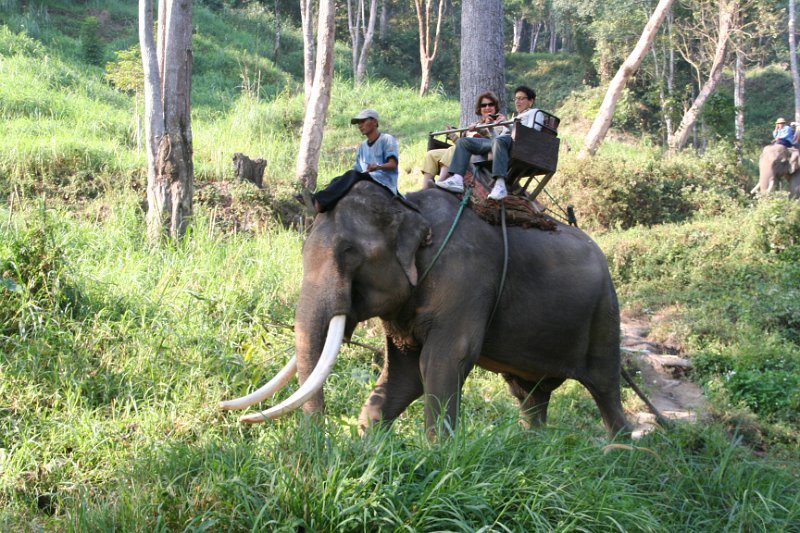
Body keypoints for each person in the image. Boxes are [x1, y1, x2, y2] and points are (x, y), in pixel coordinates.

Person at [436, 85, 543, 201]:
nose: (518, 101)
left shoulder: (535, 113)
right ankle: (457, 178)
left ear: (531, 101)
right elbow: (497, 139)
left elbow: (531, 135)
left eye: (522, 98)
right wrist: (492, 127)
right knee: (464, 142)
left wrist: (507, 124)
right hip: (502, 143)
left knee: (498, 142)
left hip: (519, 146)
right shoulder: (515, 118)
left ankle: (500, 184)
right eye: (516, 98)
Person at [304, 109, 399, 213]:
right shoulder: (362, 146)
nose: (360, 125)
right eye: (358, 123)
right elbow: (357, 169)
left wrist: (378, 167)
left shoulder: (386, 139)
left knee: (351, 175)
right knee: (336, 180)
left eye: (363, 121)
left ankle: (318, 200)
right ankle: (322, 206)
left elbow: (393, 164)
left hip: (383, 181)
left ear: (375, 122)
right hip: (367, 177)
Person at [421, 91, 504, 189]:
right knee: (431, 154)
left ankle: (441, 183)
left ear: (495, 107)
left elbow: (495, 141)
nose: (487, 108)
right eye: (483, 105)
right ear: (480, 108)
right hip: (464, 153)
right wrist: (452, 136)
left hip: (482, 154)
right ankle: (425, 188)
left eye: (491, 104)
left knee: (453, 150)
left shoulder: (499, 124)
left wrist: (482, 130)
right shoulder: (474, 124)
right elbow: (461, 144)